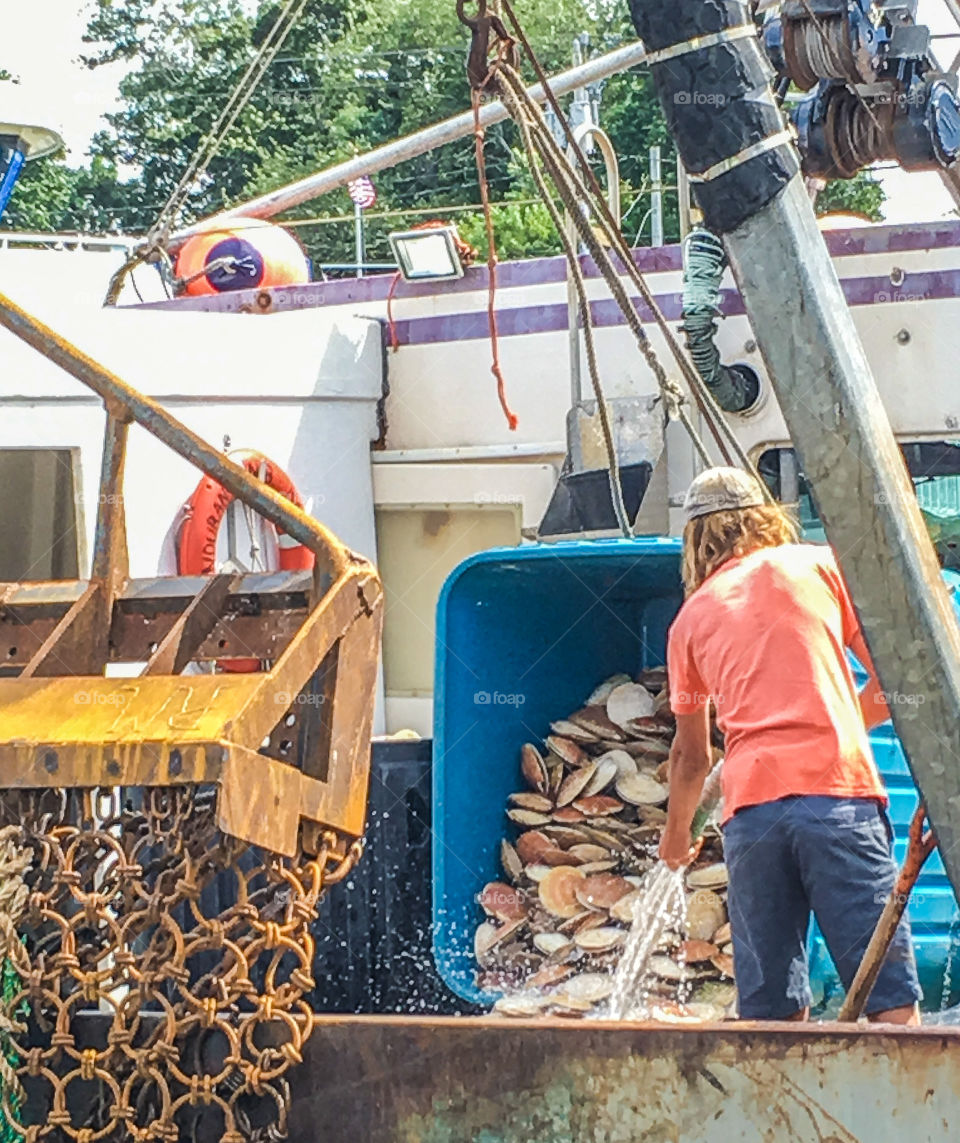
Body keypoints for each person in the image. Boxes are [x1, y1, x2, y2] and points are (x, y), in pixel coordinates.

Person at [660, 466, 922, 1025]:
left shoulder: (690, 619)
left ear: (695, 541)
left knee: (771, 1018)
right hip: (837, 799)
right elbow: (898, 681)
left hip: (752, 818)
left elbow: (691, 758)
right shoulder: (821, 566)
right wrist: (834, 716)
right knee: (889, 1002)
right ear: (765, 518)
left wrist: (677, 836)